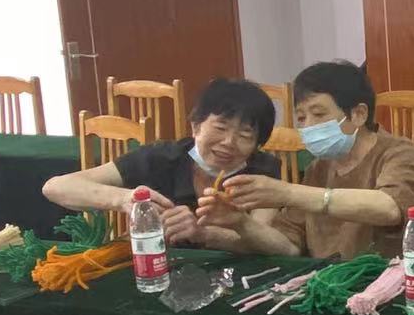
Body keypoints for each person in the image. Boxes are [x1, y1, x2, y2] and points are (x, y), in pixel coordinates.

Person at [195, 60, 414, 261]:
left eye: (318, 114)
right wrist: (242, 223)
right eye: (301, 118)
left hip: (413, 282)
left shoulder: (399, 153)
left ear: (359, 114)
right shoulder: (318, 168)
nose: (308, 126)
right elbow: (289, 246)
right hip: (336, 286)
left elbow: (389, 208)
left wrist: (288, 192)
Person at [42, 77, 280, 251]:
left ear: (257, 144)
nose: (229, 142)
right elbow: (56, 187)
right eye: (220, 127)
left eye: (245, 135)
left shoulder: (263, 171)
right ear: (196, 126)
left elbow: (264, 241)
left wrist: (204, 233)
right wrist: (124, 199)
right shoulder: (161, 158)